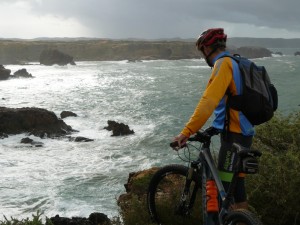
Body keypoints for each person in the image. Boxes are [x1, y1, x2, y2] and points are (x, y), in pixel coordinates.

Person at [174, 28, 255, 210]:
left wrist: (186, 131)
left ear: (207, 48)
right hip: (245, 133)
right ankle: (242, 220)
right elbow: (233, 103)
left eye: (202, 50)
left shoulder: (223, 64)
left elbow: (208, 101)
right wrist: (215, 127)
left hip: (233, 137)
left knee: (226, 192)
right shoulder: (237, 62)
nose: (203, 55)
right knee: (238, 189)